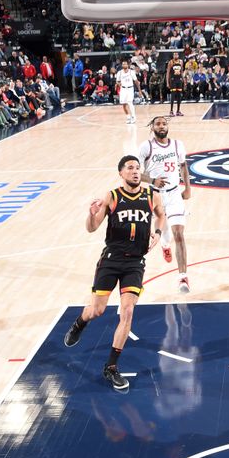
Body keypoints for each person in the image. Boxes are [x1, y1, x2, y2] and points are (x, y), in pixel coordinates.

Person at [64, 155, 166, 390]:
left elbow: (161, 214)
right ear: (121, 173)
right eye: (130, 168)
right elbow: (92, 228)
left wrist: (158, 233)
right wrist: (91, 213)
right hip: (111, 260)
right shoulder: (112, 196)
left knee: (128, 311)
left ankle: (111, 367)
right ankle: (80, 322)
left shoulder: (152, 196)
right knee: (96, 310)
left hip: (135, 262)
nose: (135, 171)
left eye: (138, 168)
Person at [139, 116, 192, 293]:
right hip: (156, 196)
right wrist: (153, 179)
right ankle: (164, 245)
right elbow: (137, 174)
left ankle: (183, 277)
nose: (161, 126)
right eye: (158, 124)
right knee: (166, 235)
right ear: (152, 127)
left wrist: (188, 188)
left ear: (167, 126)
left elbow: (184, 166)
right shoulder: (146, 146)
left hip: (175, 193)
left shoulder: (178, 145)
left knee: (179, 234)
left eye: (164, 123)